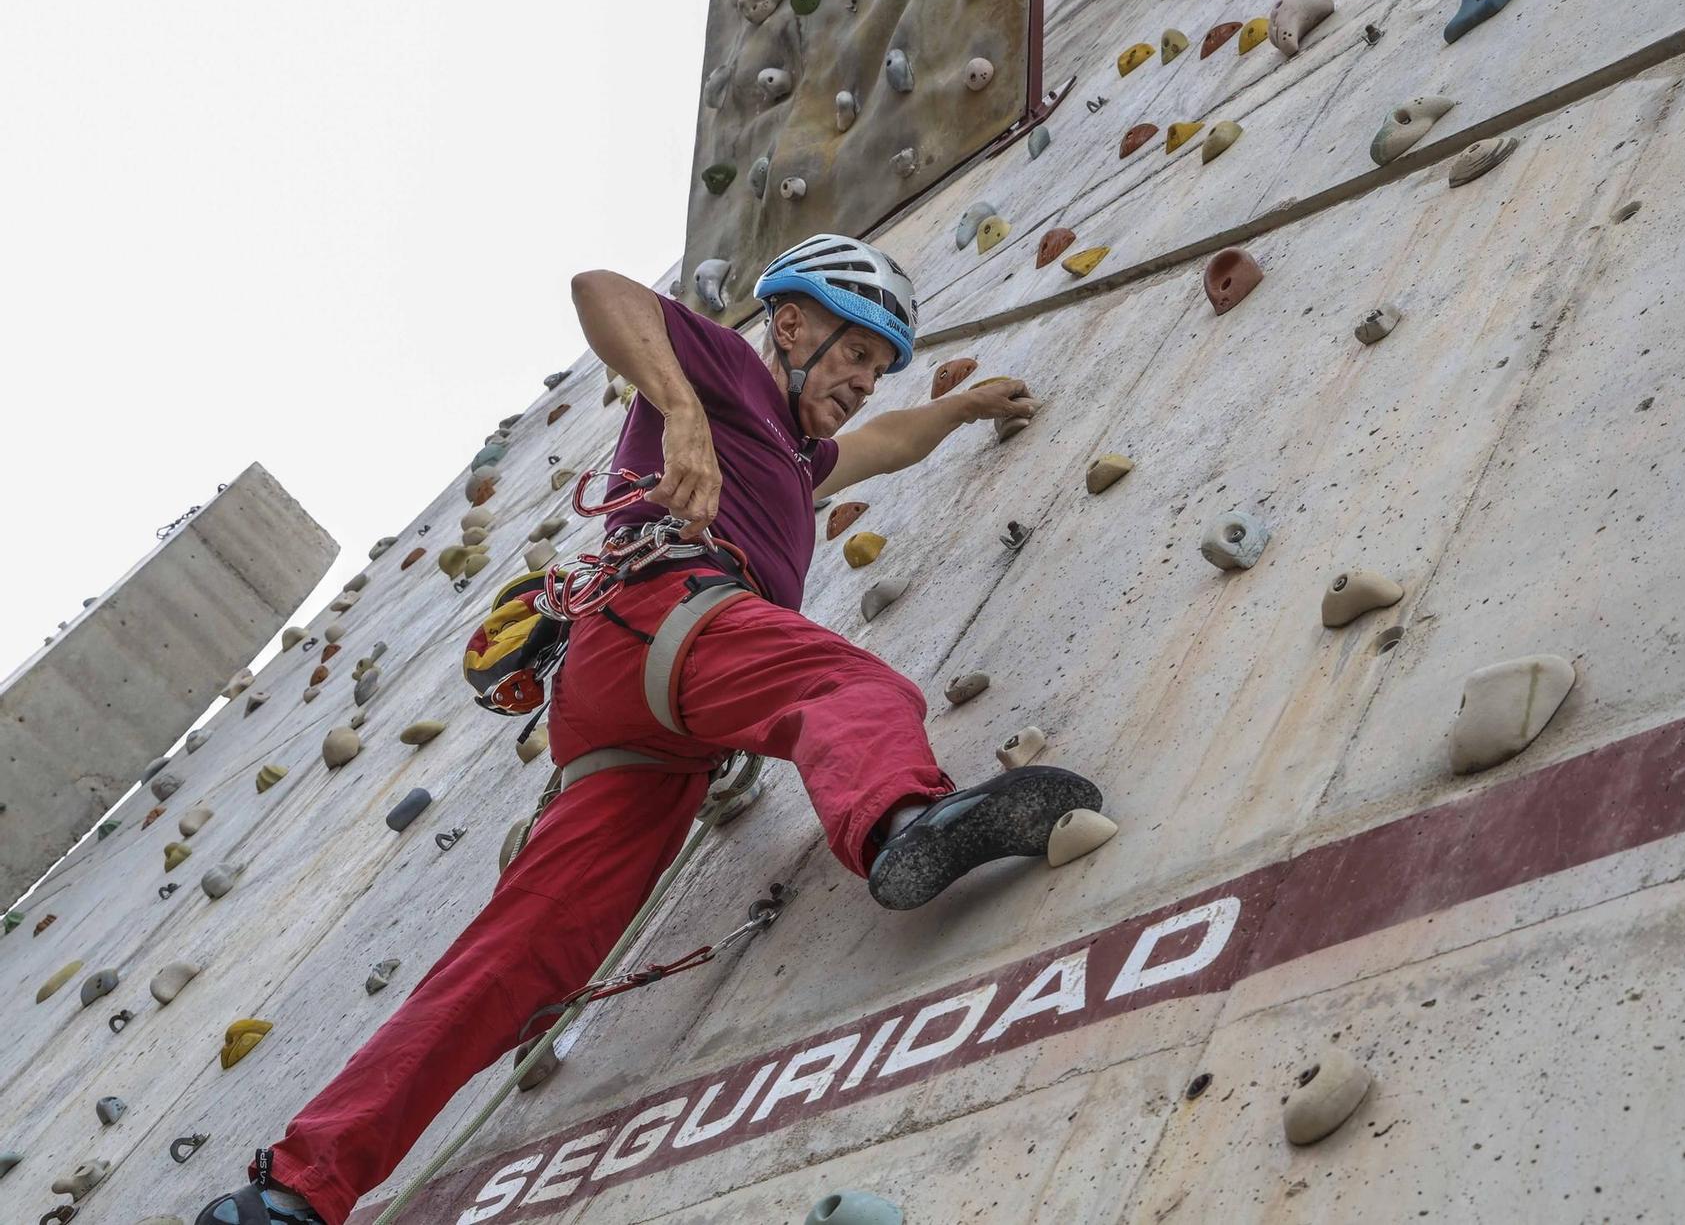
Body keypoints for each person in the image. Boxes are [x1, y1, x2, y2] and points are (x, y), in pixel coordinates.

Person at [194, 234, 1104, 1225]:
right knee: (847, 688)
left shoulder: (796, 454)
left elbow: (884, 444)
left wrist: (963, 407)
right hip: (667, 609)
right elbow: (601, 290)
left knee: (520, 959)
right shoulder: (720, 376)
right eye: (853, 352)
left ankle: (291, 1193)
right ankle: (901, 823)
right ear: (788, 325)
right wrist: (678, 412)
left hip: (640, 720)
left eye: (879, 366)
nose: (862, 379)